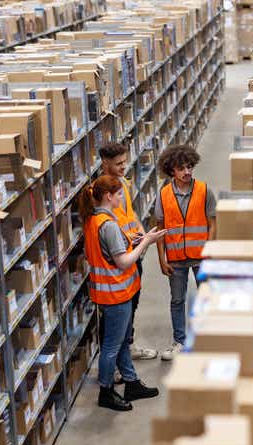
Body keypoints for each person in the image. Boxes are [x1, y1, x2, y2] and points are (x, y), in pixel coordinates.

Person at [79, 175, 167, 411]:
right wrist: (146, 241)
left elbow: (106, 251)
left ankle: (131, 382)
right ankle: (106, 392)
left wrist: (133, 239)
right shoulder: (107, 225)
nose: (122, 197)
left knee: (118, 342)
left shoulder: (95, 219)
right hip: (116, 294)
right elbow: (124, 261)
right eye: (119, 194)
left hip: (111, 293)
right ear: (109, 196)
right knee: (112, 346)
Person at [155, 145, 217, 361]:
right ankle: (179, 341)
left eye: (189, 166)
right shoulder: (163, 195)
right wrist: (161, 260)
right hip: (176, 259)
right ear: (171, 170)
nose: (187, 172)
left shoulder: (204, 190)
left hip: (201, 256)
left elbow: (212, 223)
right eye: (181, 168)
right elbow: (160, 229)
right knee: (177, 300)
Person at [98, 142, 159, 361]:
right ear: (105, 164)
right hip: (117, 260)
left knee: (133, 304)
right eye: (119, 163)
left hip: (133, 252)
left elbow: (129, 215)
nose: (124, 166)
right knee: (115, 314)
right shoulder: (101, 191)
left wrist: (141, 232)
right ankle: (113, 360)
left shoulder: (122, 184)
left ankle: (128, 347)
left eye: (125, 161)